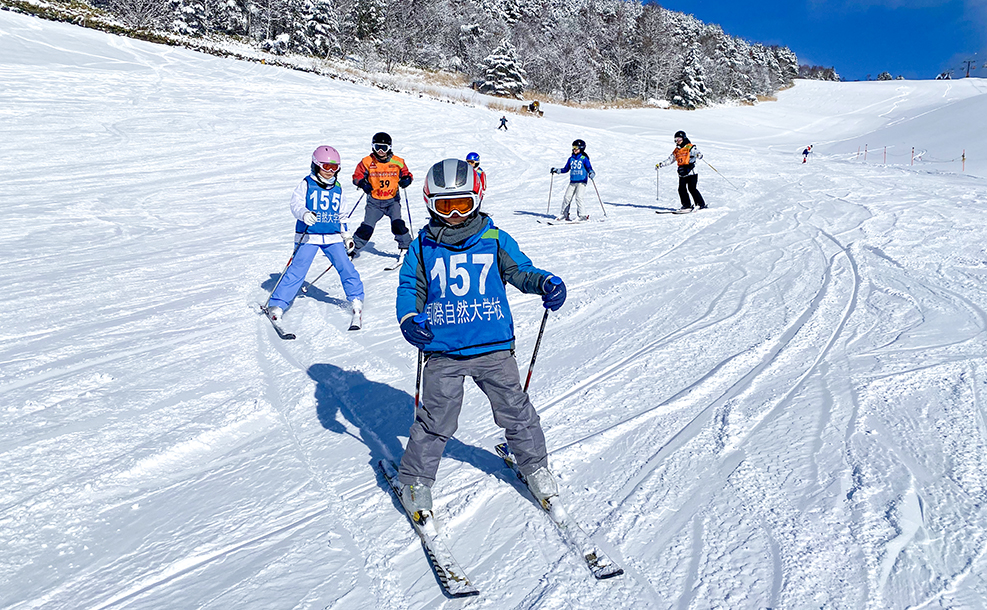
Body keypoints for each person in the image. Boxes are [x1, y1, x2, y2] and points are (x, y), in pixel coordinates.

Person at [395, 158, 568, 516]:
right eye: (446, 205)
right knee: (437, 418)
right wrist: (410, 317)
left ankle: (535, 466)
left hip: (493, 346)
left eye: (463, 204)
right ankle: (414, 479)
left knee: (515, 410)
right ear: (431, 203)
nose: (455, 214)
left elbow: (520, 271)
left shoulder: (494, 238)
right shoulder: (423, 246)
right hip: (442, 348)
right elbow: (411, 286)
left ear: (477, 199)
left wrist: (545, 282)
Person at [267, 146, 365, 330]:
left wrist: (346, 235)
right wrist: (304, 214)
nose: (330, 172)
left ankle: (356, 299)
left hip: (332, 236)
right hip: (309, 236)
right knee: (297, 271)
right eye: (326, 167)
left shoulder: (337, 188)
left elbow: (342, 214)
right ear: (316, 166)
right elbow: (295, 203)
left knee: (345, 267)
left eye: (334, 168)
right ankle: (277, 304)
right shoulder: (306, 184)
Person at [351, 132, 413, 256]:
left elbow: (407, 173)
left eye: (384, 148)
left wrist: (407, 179)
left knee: (397, 224)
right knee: (367, 227)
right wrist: (362, 184)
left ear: (389, 148)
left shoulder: (398, 161)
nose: (380, 151)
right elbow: (356, 176)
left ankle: (407, 248)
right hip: (374, 202)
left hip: (392, 201)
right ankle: (352, 249)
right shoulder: (367, 161)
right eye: (377, 147)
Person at [656, 130, 707, 211]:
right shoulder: (676, 150)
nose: (678, 141)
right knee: (681, 189)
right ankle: (686, 205)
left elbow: (696, 152)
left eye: (679, 139)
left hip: (691, 171)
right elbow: (670, 159)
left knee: (692, 188)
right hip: (682, 172)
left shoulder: (689, 147)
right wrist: (661, 164)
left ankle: (700, 204)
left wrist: (698, 155)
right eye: (676, 139)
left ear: (683, 138)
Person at [551, 139, 595, 221]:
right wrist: (557, 170)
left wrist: (591, 173)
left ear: (581, 148)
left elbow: (589, 168)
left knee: (579, 197)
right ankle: (564, 214)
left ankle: (582, 215)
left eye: (576, 148)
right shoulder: (571, 159)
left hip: (581, 181)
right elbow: (566, 169)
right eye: (573, 147)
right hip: (573, 181)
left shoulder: (584, 158)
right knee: (567, 197)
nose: (574, 149)